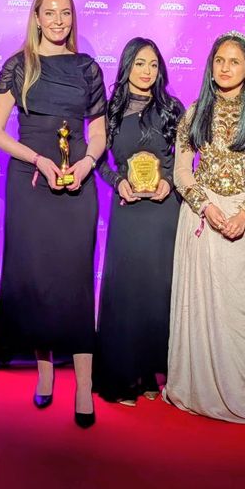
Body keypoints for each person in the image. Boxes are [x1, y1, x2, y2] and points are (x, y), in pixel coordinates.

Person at [0, 0, 106, 429]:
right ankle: (44, 373)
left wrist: (87, 164)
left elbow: (98, 132)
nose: (58, 20)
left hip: (78, 182)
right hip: (31, 181)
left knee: (75, 282)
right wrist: (37, 159)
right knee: (35, 278)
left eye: (65, 13)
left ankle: (84, 386)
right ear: (36, 16)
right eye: (50, 12)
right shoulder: (18, 66)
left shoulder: (88, 69)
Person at [164, 31, 245, 424]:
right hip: (203, 219)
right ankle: (196, 388)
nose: (225, 68)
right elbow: (182, 172)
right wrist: (205, 206)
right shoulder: (195, 112)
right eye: (219, 60)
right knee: (202, 312)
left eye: (234, 61)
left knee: (243, 316)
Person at [94, 38, 184, 406]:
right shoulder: (109, 110)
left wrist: (170, 182)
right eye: (140, 63)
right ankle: (122, 376)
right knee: (127, 292)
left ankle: (150, 372)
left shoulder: (173, 109)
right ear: (127, 66)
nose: (147, 71)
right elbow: (98, 162)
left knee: (159, 293)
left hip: (164, 212)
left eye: (153, 64)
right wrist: (118, 182)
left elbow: (185, 161)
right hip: (128, 209)